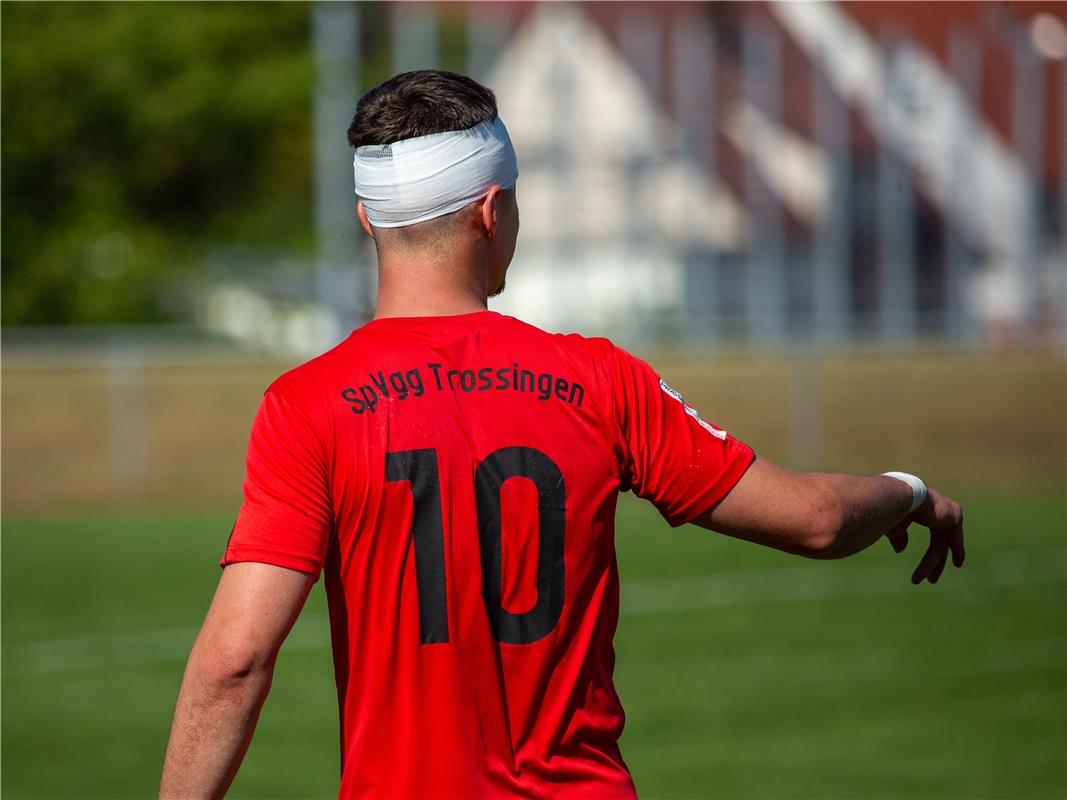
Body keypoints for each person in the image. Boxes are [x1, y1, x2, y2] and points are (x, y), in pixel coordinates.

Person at [159, 70, 965, 799]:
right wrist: (910, 491)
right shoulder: (597, 379)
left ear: (370, 220)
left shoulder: (308, 404)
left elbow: (235, 661)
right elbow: (815, 520)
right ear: (490, 208)